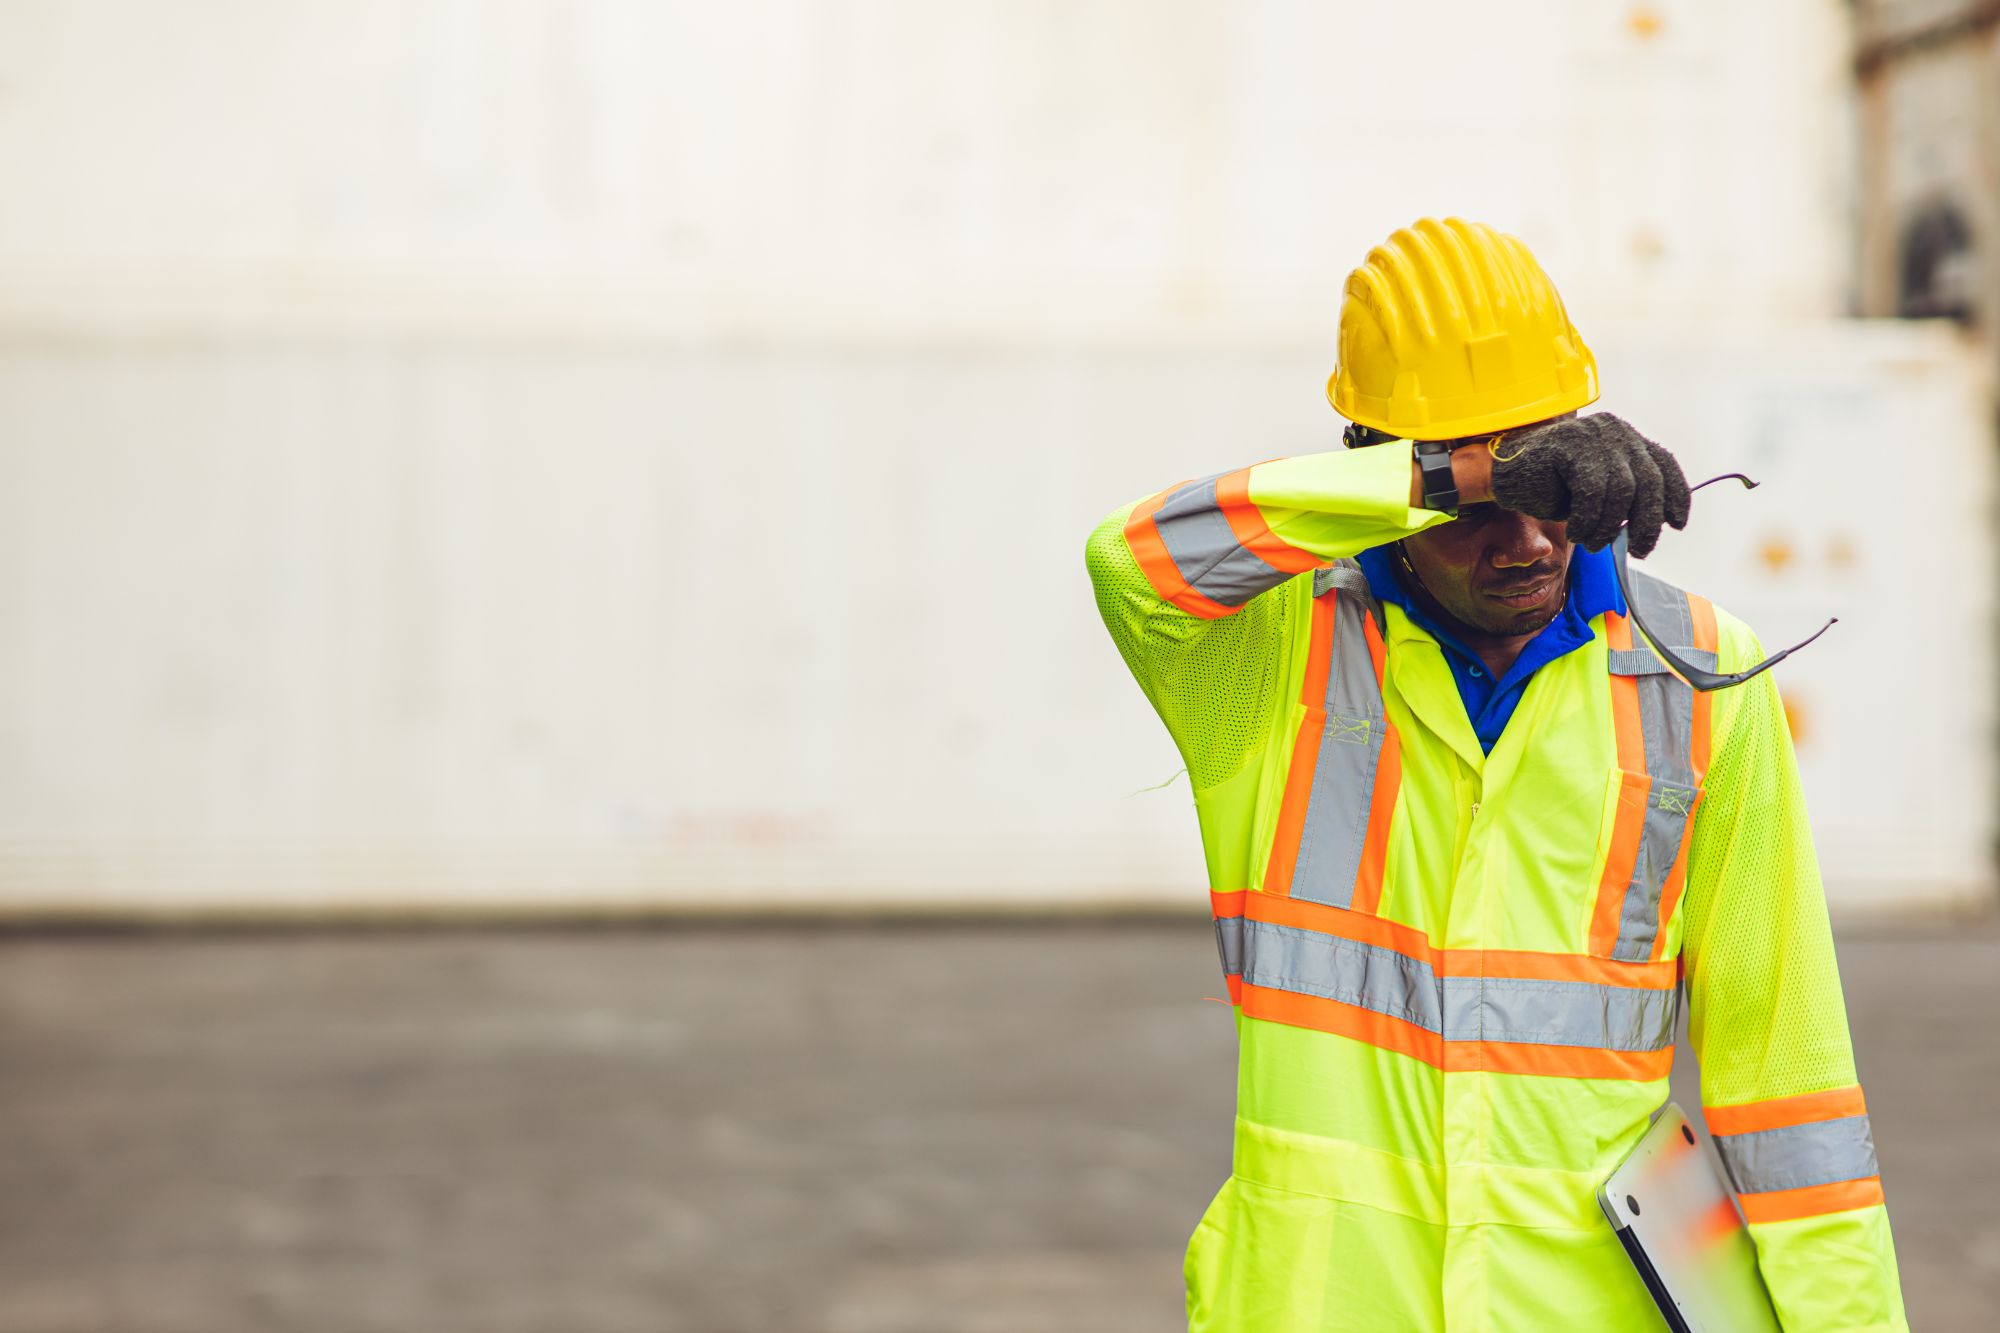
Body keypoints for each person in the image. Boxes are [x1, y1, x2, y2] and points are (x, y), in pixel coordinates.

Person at [1084, 218, 1907, 1331]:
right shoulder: (1274, 655)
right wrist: (1448, 470)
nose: (1521, 537)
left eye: (1548, 481)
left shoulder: (1702, 677)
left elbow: (1786, 1080)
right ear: (1386, 468)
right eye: (1476, 505)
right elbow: (1130, 564)